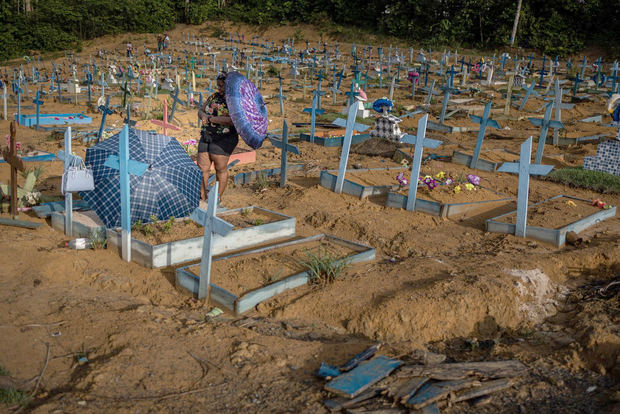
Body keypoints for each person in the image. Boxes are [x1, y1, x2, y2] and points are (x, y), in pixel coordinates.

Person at [197, 73, 238, 206]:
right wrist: (203, 115)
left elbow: (233, 120)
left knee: (220, 168)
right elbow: (201, 110)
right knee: (202, 168)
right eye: (218, 85)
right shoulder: (214, 96)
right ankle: (203, 197)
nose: (219, 88)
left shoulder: (234, 101)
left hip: (224, 138)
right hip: (207, 135)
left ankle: (217, 198)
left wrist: (211, 119)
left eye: (222, 86)